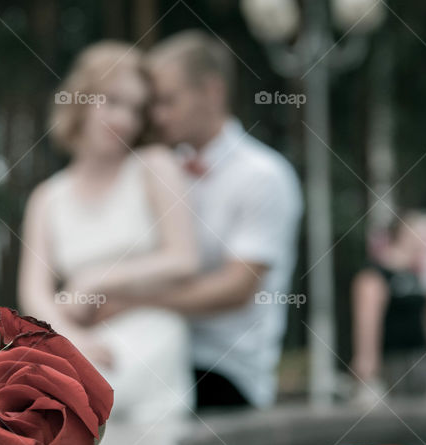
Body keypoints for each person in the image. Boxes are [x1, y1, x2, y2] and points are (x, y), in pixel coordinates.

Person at [93, 30, 303, 410]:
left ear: (212, 91)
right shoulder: (160, 171)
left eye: (169, 101)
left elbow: (237, 288)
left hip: (224, 372)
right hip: (156, 349)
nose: (157, 115)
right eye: (153, 104)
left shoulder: (264, 175)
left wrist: (131, 301)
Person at [17, 41, 199, 423]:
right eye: (112, 101)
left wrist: (97, 279)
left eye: (136, 109)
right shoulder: (47, 198)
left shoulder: (153, 166)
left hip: (152, 341)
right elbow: (34, 292)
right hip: (81, 344)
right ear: (80, 100)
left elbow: (184, 258)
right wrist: (70, 339)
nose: (125, 119)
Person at [350, 215, 426, 403]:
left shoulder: (415, 274)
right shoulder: (375, 273)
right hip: (393, 360)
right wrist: (366, 359)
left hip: (419, 358)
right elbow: (367, 321)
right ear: (402, 234)